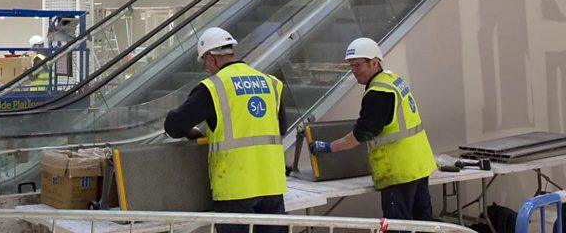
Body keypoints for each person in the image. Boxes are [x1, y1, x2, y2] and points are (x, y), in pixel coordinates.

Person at [164, 27, 287, 233]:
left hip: (235, 187)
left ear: (211, 59)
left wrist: (191, 132)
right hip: (272, 183)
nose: (207, 67)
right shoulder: (271, 83)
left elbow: (174, 125)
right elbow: (280, 128)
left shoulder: (214, 87)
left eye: (205, 62)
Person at [309, 37, 437, 220]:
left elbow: (362, 134)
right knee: (423, 222)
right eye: (351, 66)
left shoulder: (378, 93)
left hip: (398, 172)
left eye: (358, 65)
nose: (354, 71)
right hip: (418, 165)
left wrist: (329, 147)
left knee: (397, 227)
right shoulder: (392, 80)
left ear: (375, 62)